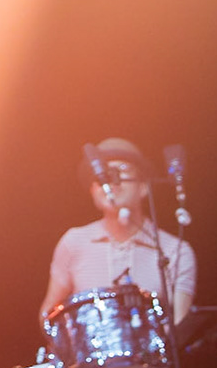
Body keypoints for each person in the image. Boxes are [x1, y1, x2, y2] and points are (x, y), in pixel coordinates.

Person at [39, 136, 197, 325]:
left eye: (121, 171)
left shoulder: (175, 250)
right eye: (101, 176)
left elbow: (181, 328)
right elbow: (48, 315)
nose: (111, 182)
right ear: (92, 192)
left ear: (143, 187)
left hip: (151, 354)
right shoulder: (74, 241)